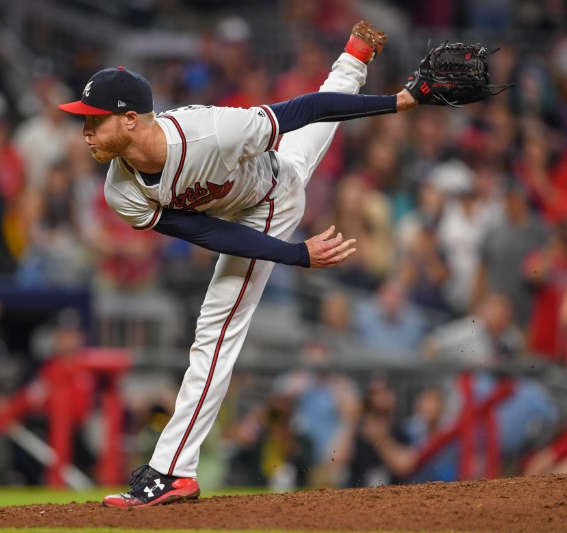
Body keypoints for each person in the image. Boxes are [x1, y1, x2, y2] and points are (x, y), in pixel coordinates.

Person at [58, 21, 465, 508]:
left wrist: (398, 103)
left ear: (129, 120)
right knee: (308, 145)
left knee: (215, 330)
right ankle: (355, 57)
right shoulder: (119, 189)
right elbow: (203, 231)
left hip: (268, 198)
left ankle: (171, 472)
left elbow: (305, 109)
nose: (84, 132)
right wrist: (296, 254)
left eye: (93, 119)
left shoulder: (210, 130)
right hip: (246, 201)